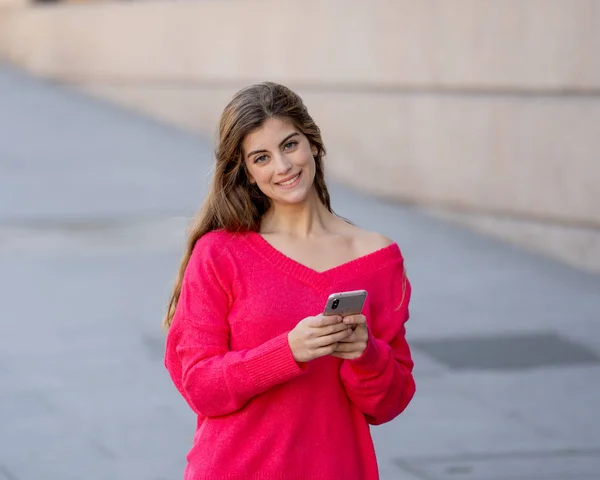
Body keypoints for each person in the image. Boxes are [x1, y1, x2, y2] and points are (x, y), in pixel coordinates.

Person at [163, 82, 415, 480]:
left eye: (290, 145)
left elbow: (389, 403)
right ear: (245, 171)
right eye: (261, 157)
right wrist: (288, 352)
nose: (282, 166)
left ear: (313, 143)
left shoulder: (377, 258)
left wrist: (365, 354)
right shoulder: (220, 254)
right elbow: (199, 385)